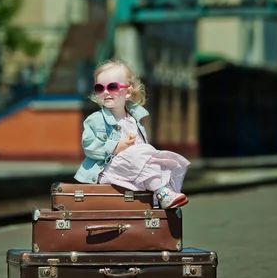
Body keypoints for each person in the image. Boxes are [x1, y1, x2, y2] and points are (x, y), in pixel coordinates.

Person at [74, 59, 190, 209]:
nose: (106, 92)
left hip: (132, 164)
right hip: (109, 167)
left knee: (154, 156)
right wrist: (114, 147)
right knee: (139, 155)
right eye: (99, 88)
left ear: (128, 92)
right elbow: (89, 146)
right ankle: (162, 193)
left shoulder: (134, 119)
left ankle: (160, 196)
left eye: (113, 87)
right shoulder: (95, 120)